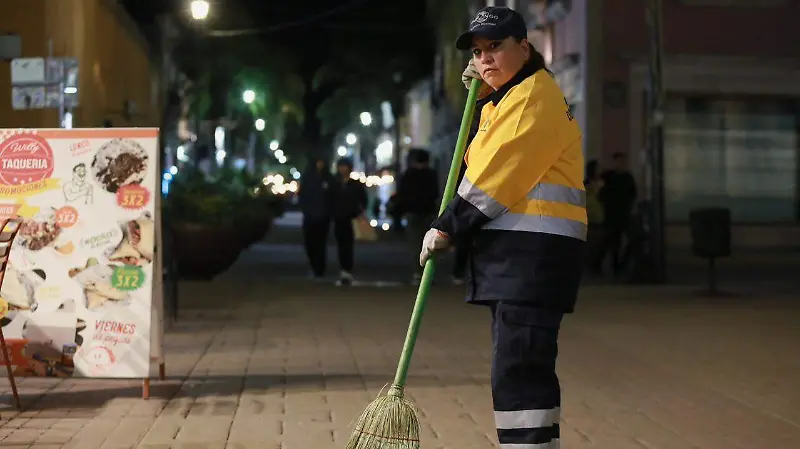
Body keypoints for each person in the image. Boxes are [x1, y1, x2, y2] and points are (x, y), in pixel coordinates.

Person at [418, 7, 586, 449]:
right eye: (477, 51)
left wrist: (447, 226)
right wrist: (485, 98)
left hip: (531, 259)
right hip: (523, 259)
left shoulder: (532, 98)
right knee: (521, 367)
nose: (485, 59)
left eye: (496, 47)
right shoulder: (512, 100)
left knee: (519, 369)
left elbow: (494, 177)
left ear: (524, 48)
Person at [396, 148, 439, 284]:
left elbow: (401, 194)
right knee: (429, 243)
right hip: (428, 212)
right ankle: (427, 272)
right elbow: (435, 192)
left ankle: (417, 271)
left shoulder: (408, 175)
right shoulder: (431, 174)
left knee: (415, 243)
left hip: (412, 212)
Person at [598, 152, 637, 276]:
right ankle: (609, 265)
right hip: (610, 213)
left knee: (619, 241)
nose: (620, 163)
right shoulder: (608, 176)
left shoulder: (627, 177)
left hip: (622, 213)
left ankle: (617, 266)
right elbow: (601, 192)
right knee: (609, 240)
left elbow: (632, 193)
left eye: (622, 161)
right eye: (618, 161)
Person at [331, 158, 368, 286]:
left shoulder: (355, 184)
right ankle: (343, 269)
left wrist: (358, 212)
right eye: (341, 167)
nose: (342, 169)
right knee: (341, 244)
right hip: (338, 218)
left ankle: (347, 270)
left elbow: (363, 200)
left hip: (351, 219)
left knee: (348, 244)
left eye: (344, 167)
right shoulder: (335, 184)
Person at [298, 157, 334, 281]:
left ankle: (319, 268)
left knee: (320, 243)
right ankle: (314, 265)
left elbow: (332, 195)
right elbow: (302, 194)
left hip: (323, 216)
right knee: (310, 243)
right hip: (309, 215)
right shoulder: (308, 177)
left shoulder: (328, 177)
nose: (320, 164)